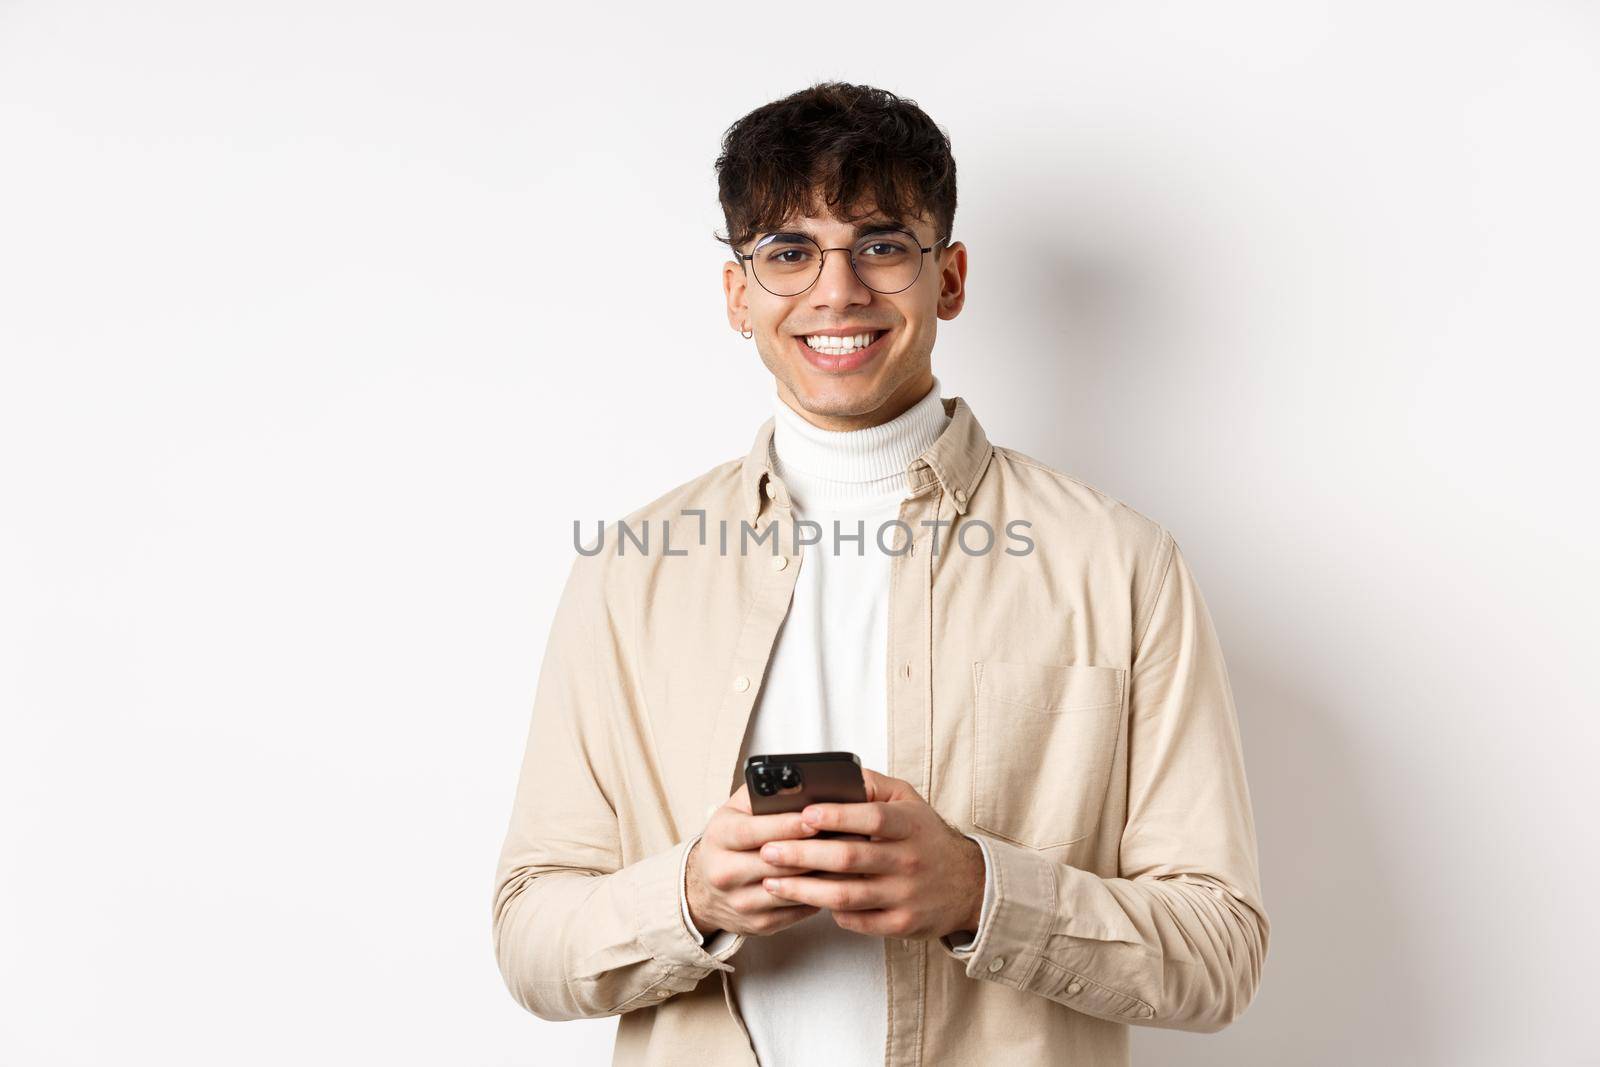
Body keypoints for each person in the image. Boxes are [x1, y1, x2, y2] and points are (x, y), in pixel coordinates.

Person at [491, 80, 1269, 1067]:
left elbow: (1220, 951)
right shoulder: (631, 571)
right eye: (787, 252)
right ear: (739, 294)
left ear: (947, 278)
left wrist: (980, 890)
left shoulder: (1119, 564)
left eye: (880, 245)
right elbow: (528, 933)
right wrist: (689, 893)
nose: (836, 290)